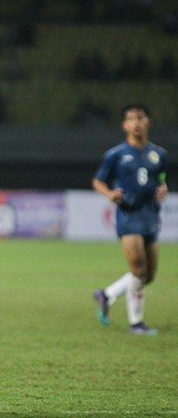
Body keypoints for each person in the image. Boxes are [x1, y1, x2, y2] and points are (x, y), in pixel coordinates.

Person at [92, 104, 167, 335]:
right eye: (131, 119)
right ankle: (137, 323)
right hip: (128, 215)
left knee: (148, 276)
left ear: (148, 123)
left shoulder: (159, 154)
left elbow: (161, 179)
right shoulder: (115, 155)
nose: (136, 123)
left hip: (150, 216)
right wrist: (109, 194)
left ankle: (107, 294)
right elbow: (98, 181)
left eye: (140, 118)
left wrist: (164, 188)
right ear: (124, 125)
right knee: (138, 269)